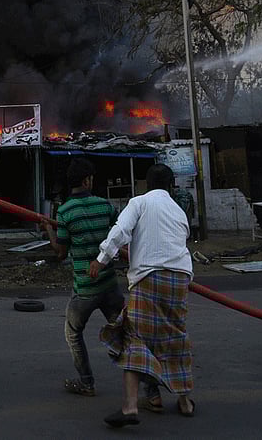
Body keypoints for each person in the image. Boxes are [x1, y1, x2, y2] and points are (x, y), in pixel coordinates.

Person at [89, 163, 195, 428]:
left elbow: (120, 231)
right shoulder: (178, 211)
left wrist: (101, 259)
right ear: (171, 185)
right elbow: (180, 240)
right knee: (175, 336)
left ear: (146, 184)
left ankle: (130, 407)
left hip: (149, 277)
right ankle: (184, 401)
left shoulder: (139, 202)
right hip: (180, 278)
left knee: (134, 337)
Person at [41, 158, 123, 397]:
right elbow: (118, 234)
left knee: (73, 334)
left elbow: (60, 252)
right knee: (125, 334)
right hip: (110, 285)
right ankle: (150, 389)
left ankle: (87, 383)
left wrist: (48, 228)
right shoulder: (105, 206)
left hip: (85, 289)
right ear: (87, 180)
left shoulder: (65, 212)